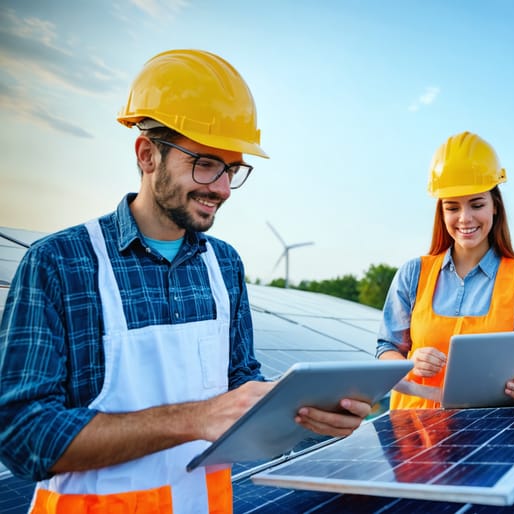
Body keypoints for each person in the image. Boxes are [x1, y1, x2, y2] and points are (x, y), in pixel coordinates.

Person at [0, 49, 371, 513]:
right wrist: (195, 419)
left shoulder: (224, 265)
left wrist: (303, 414)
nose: (221, 188)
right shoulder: (61, 263)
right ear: (147, 155)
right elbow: (24, 438)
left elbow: (239, 384)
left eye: (231, 169)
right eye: (206, 163)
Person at [376, 131, 514, 409]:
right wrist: (410, 363)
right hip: (414, 430)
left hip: (490, 431)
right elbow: (386, 349)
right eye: (452, 207)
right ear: (441, 212)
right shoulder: (413, 273)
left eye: (477, 204)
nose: (465, 218)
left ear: (495, 206)